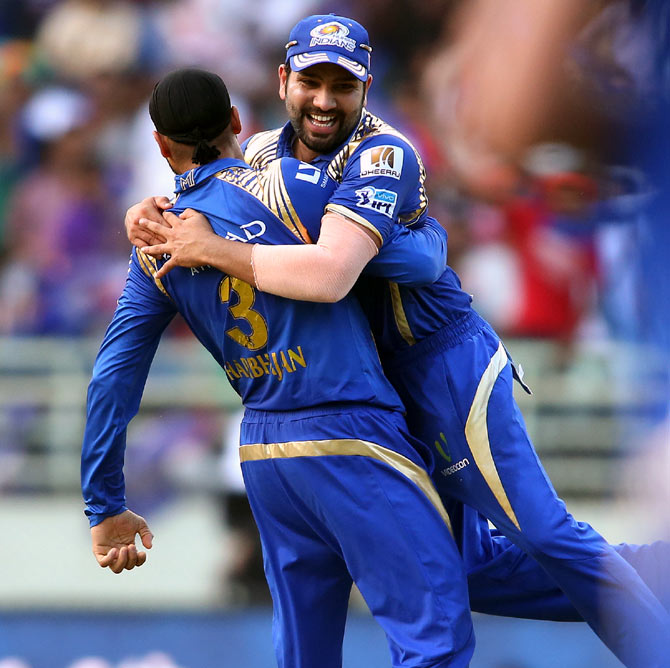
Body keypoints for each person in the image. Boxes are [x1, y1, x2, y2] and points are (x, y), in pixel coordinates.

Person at [128, 15, 670, 667]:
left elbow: (345, 273)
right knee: (459, 571)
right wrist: (151, 212)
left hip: (445, 369)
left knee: (547, 535)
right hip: (378, 391)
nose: (325, 100)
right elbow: (219, 201)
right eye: (311, 81)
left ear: (366, 87)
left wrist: (217, 248)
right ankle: (654, 570)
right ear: (283, 81)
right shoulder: (267, 154)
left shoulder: (383, 152)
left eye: (343, 85)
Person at [82, 67, 477, 668]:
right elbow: (419, 260)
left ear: (163, 147)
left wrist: (105, 504)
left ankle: (625, 577)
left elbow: (113, 378)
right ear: (238, 124)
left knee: (304, 653)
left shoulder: (156, 244)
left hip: (267, 455)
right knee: (436, 633)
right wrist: (432, 240)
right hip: (352, 433)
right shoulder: (296, 186)